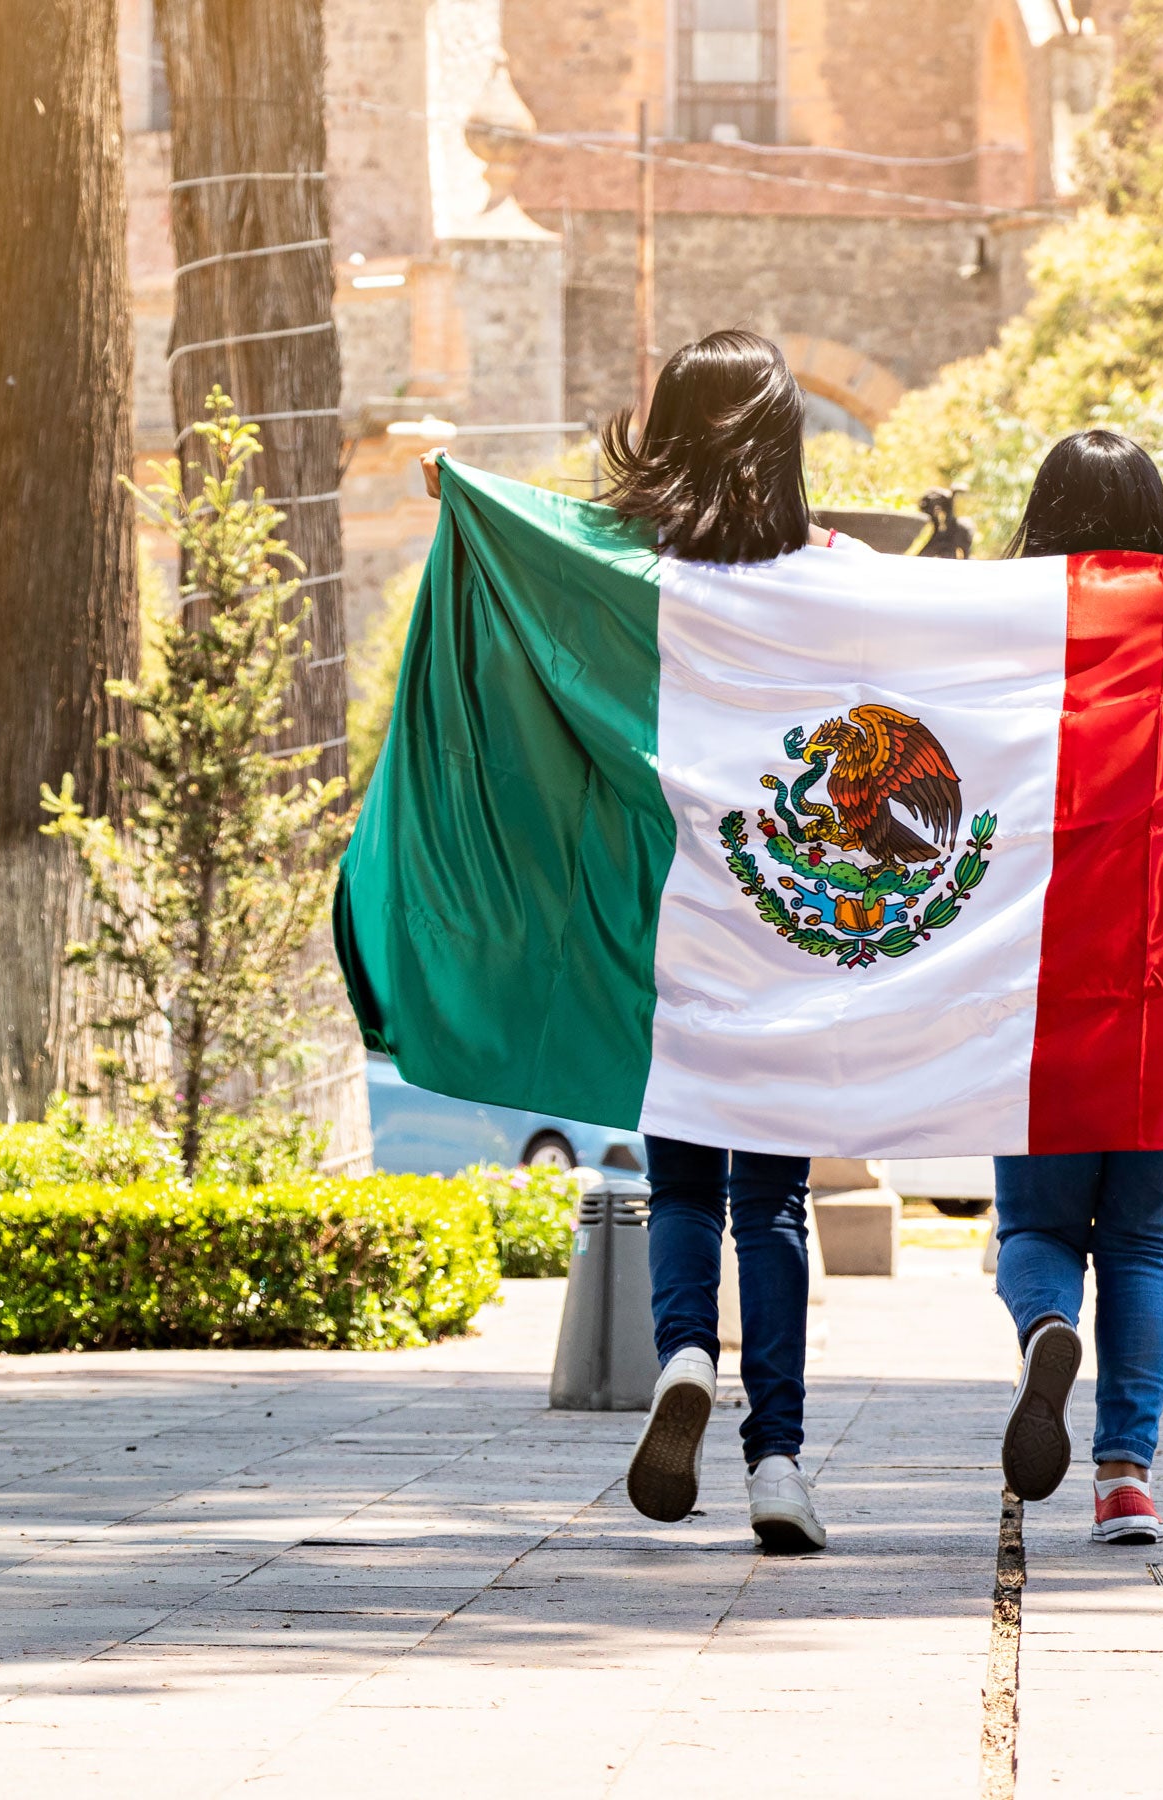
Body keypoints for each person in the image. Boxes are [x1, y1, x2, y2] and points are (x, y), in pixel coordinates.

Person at [422, 330, 871, 1553]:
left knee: (682, 1177)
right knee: (771, 1199)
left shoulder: (627, 568)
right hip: (785, 922)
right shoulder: (835, 572)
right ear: (785, 439)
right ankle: (776, 1458)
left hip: (667, 928)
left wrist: (461, 494)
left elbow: (532, 546)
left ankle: (684, 1355)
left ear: (663, 428)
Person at [994, 429, 1163, 1546]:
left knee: (1035, 1221)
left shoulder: (999, 630)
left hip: (1039, 985)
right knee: (1140, 1240)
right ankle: (1126, 1476)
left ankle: (1043, 1329)